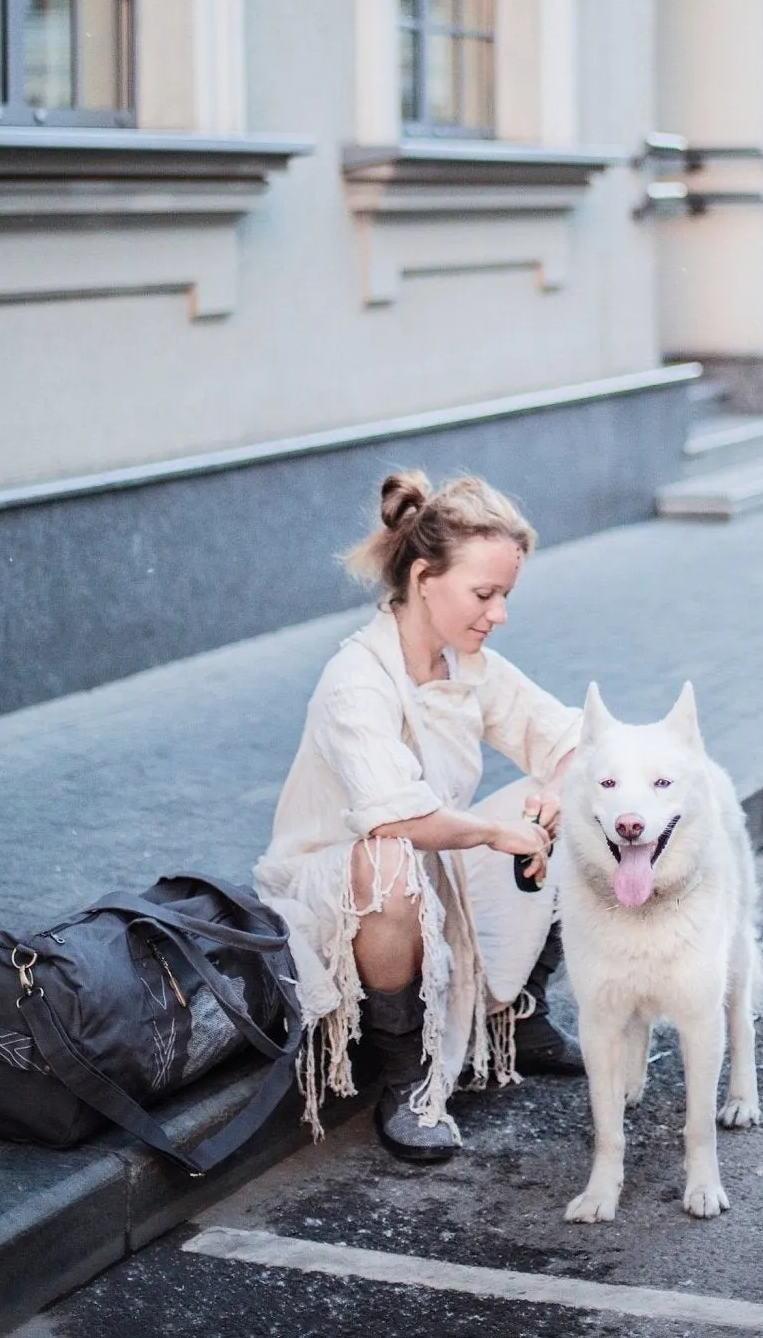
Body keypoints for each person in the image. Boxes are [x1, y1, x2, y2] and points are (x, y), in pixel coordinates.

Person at [253, 470, 584, 1163]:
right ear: (425, 577)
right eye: (484, 594)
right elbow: (396, 819)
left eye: (505, 596)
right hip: (340, 888)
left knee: (590, 795)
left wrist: (554, 794)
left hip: (431, 864)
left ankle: (520, 1017)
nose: (497, 614)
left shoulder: (468, 666)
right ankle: (405, 1079)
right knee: (390, 861)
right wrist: (498, 830)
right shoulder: (358, 679)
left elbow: (572, 740)